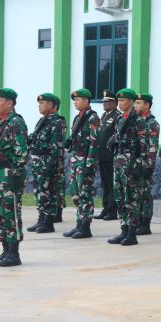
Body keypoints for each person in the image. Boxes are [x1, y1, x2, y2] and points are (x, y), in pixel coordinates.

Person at [0, 88, 28, 267]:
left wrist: (14, 176)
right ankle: (5, 249)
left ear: (9, 103)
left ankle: (14, 253)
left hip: (9, 175)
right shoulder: (1, 122)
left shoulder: (16, 122)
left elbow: (21, 153)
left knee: (10, 213)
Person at [108, 88, 148, 246]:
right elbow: (116, 137)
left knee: (131, 198)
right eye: (119, 100)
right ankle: (123, 230)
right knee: (120, 197)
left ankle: (132, 233)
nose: (120, 103)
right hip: (118, 161)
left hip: (131, 163)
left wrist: (142, 165)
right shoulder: (119, 119)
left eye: (123, 100)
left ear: (131, 102)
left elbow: (144, 146)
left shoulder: (138, 121)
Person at [25, 93, 65, 234]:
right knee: (40, 193)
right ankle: (41, 219)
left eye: (43, 103)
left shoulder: (57, 122)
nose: (39, 106)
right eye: (39, 103)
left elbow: (56, 147)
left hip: (47, 165)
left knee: (48, 193)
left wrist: (50, 166)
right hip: (38, 164)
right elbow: (33, 138)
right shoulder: (42, 121)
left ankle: (48, 222)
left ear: (52, 105)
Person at [63, 89, 100, 239]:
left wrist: (90, 163)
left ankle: (85, 226)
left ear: (86, 101)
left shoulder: (93, 118)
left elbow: (94, 141)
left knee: (85, 193)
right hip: (76, 158)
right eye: (74, 100)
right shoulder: (77, 118)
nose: (75, 102)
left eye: (78, 99)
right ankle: (79, 223)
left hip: (85, 160)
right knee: (76, 194)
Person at [134, 93, 159, 235]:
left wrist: (149, 166)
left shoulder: (152, 123)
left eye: (138, 103)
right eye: (135, 103)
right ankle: (137, 221)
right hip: (135, 164)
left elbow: (152, 147)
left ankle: (145, 224)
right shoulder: (136, 121)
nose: (136, 106)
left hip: (145, 164)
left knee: (145, 195)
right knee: (136, 194)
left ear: (147, 105)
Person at [95, 90, 119, 220]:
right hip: (102, 155)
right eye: (103, 102)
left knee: (111, 183)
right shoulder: (104, 115)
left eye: (107, 102)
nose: (104, 104)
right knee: (105, 183)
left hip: (111, 156)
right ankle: (106, 207)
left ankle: (112, 210)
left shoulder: (117, 116)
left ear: (114, 103)